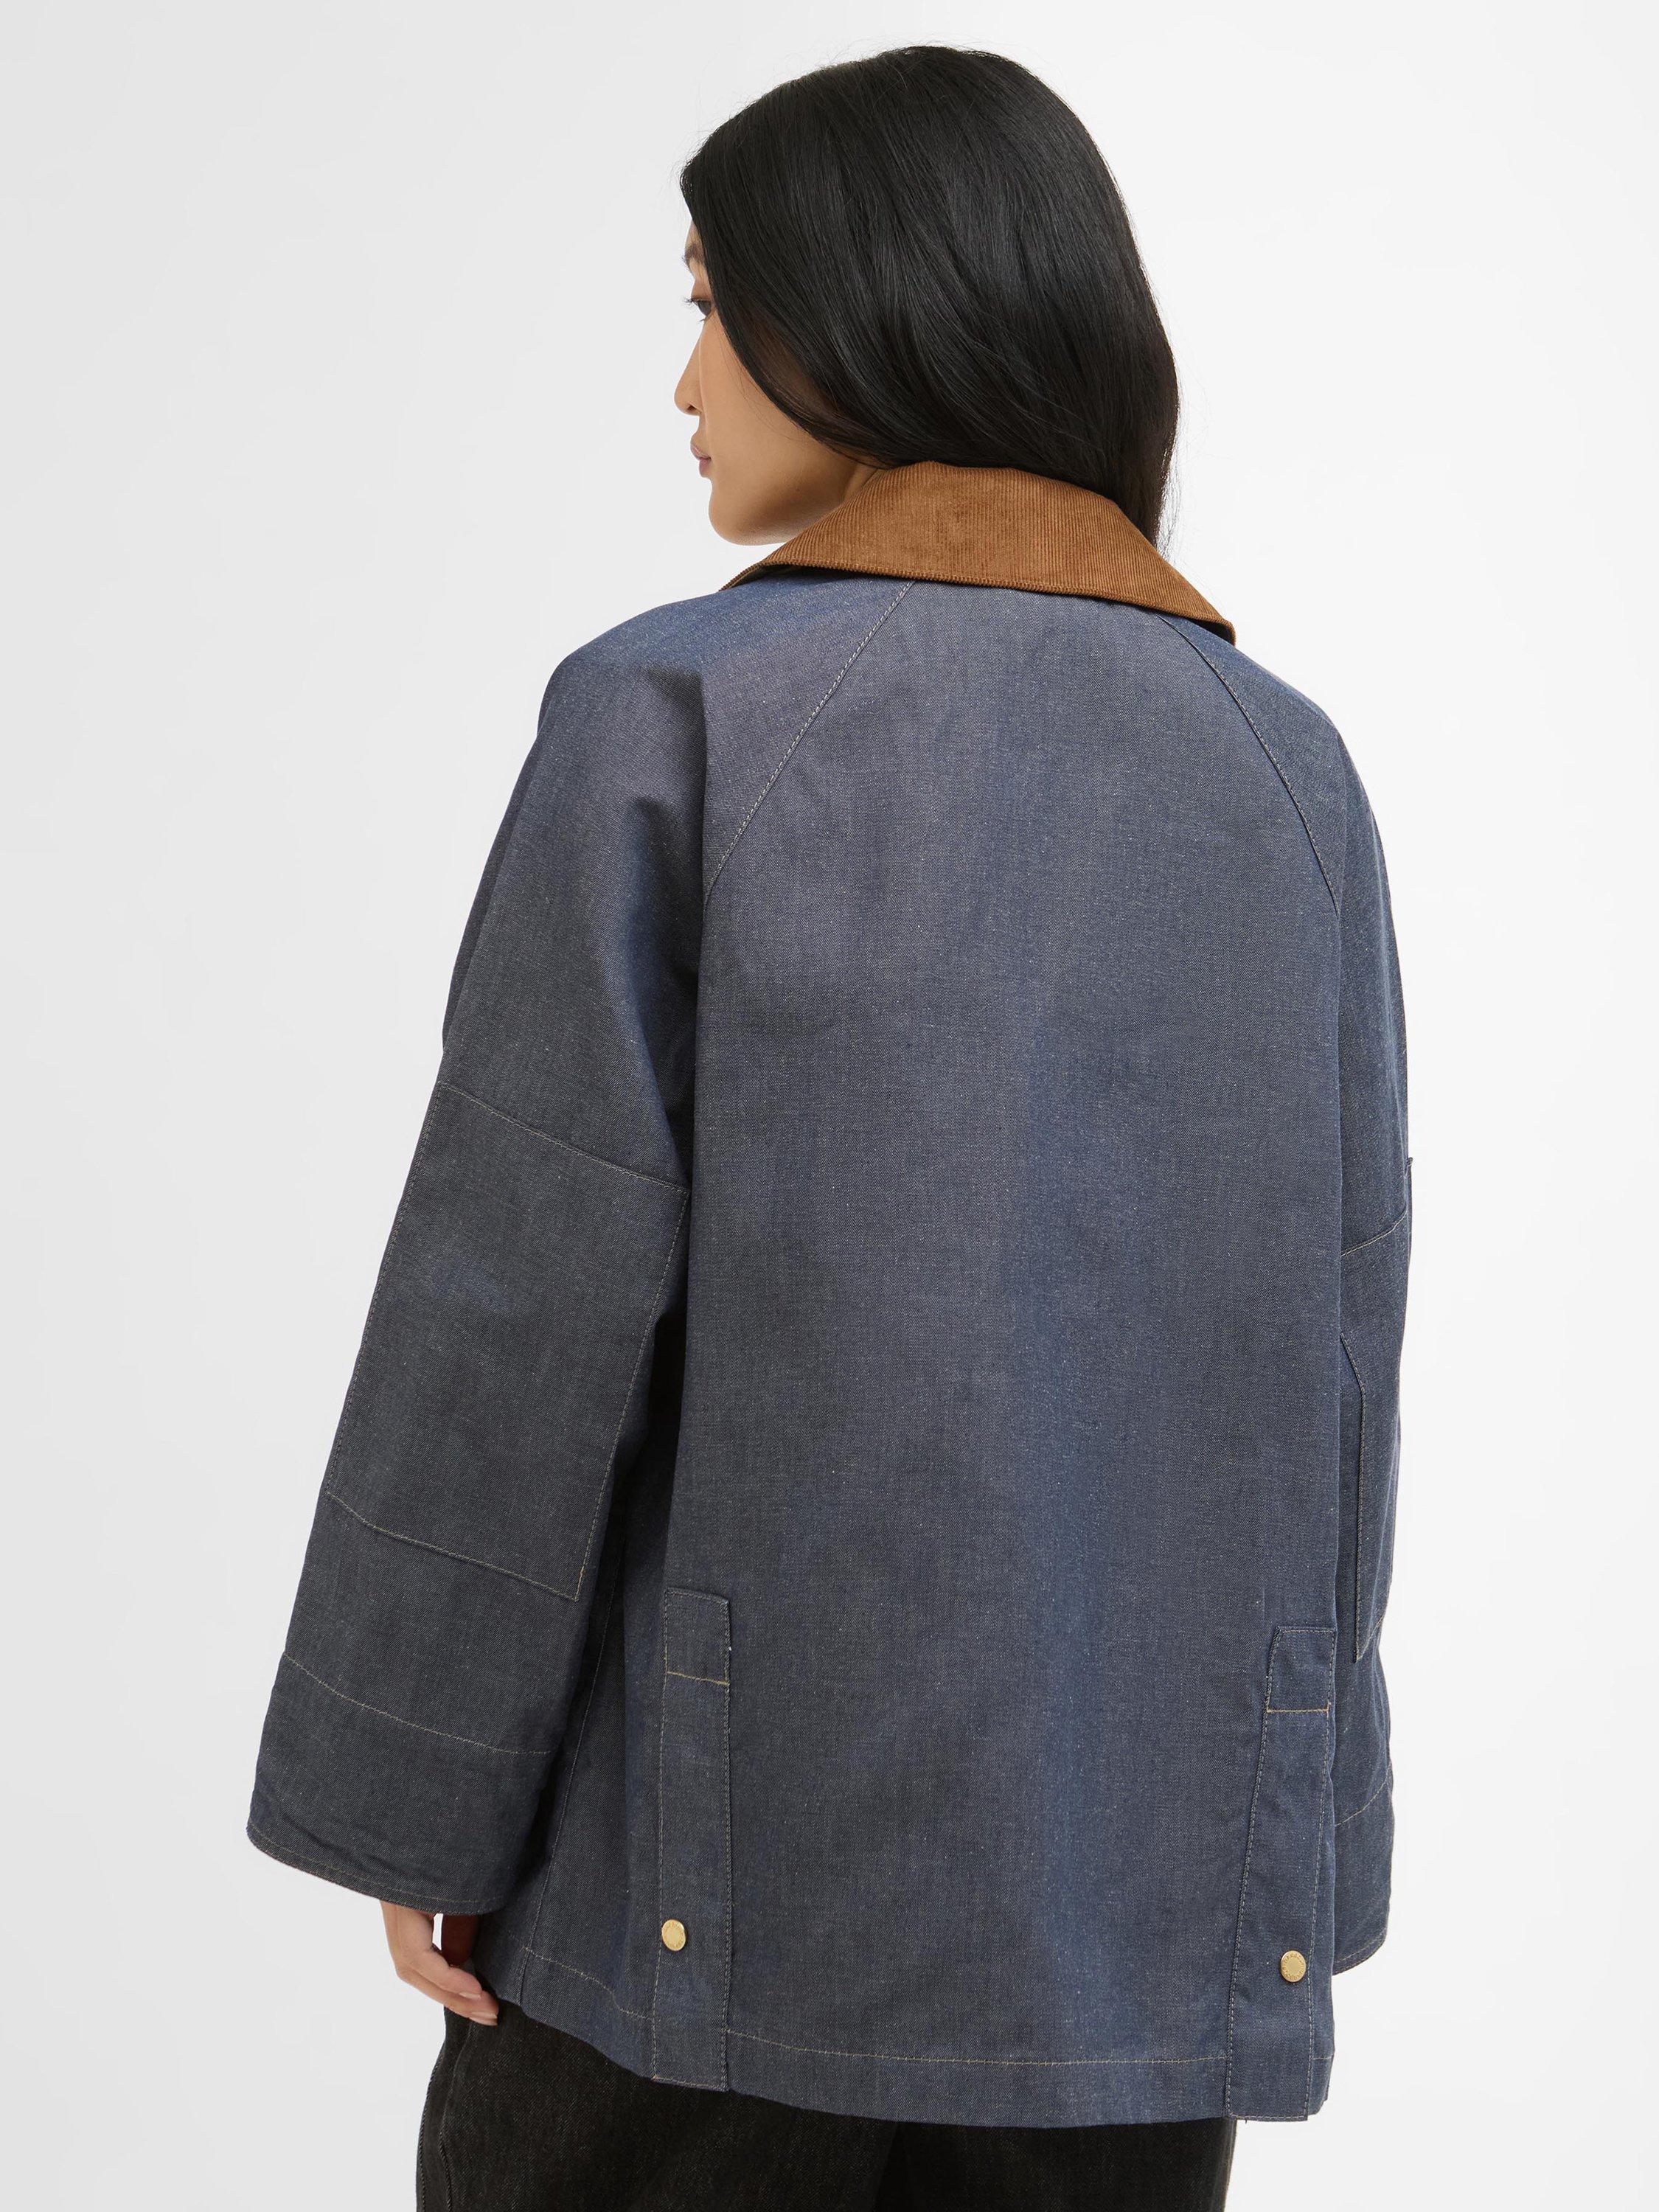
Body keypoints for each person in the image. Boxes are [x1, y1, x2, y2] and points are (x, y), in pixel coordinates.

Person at [249, 44, 1409, 2211]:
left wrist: (414, 1793)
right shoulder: (1286, 776)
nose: (683, 379)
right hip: (1127, 1959)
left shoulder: (669, 713)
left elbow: (515, 1308)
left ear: (865, 310)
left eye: (711, 306)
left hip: (696, 1930)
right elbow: (1332, 1374)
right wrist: (1301, 1854)